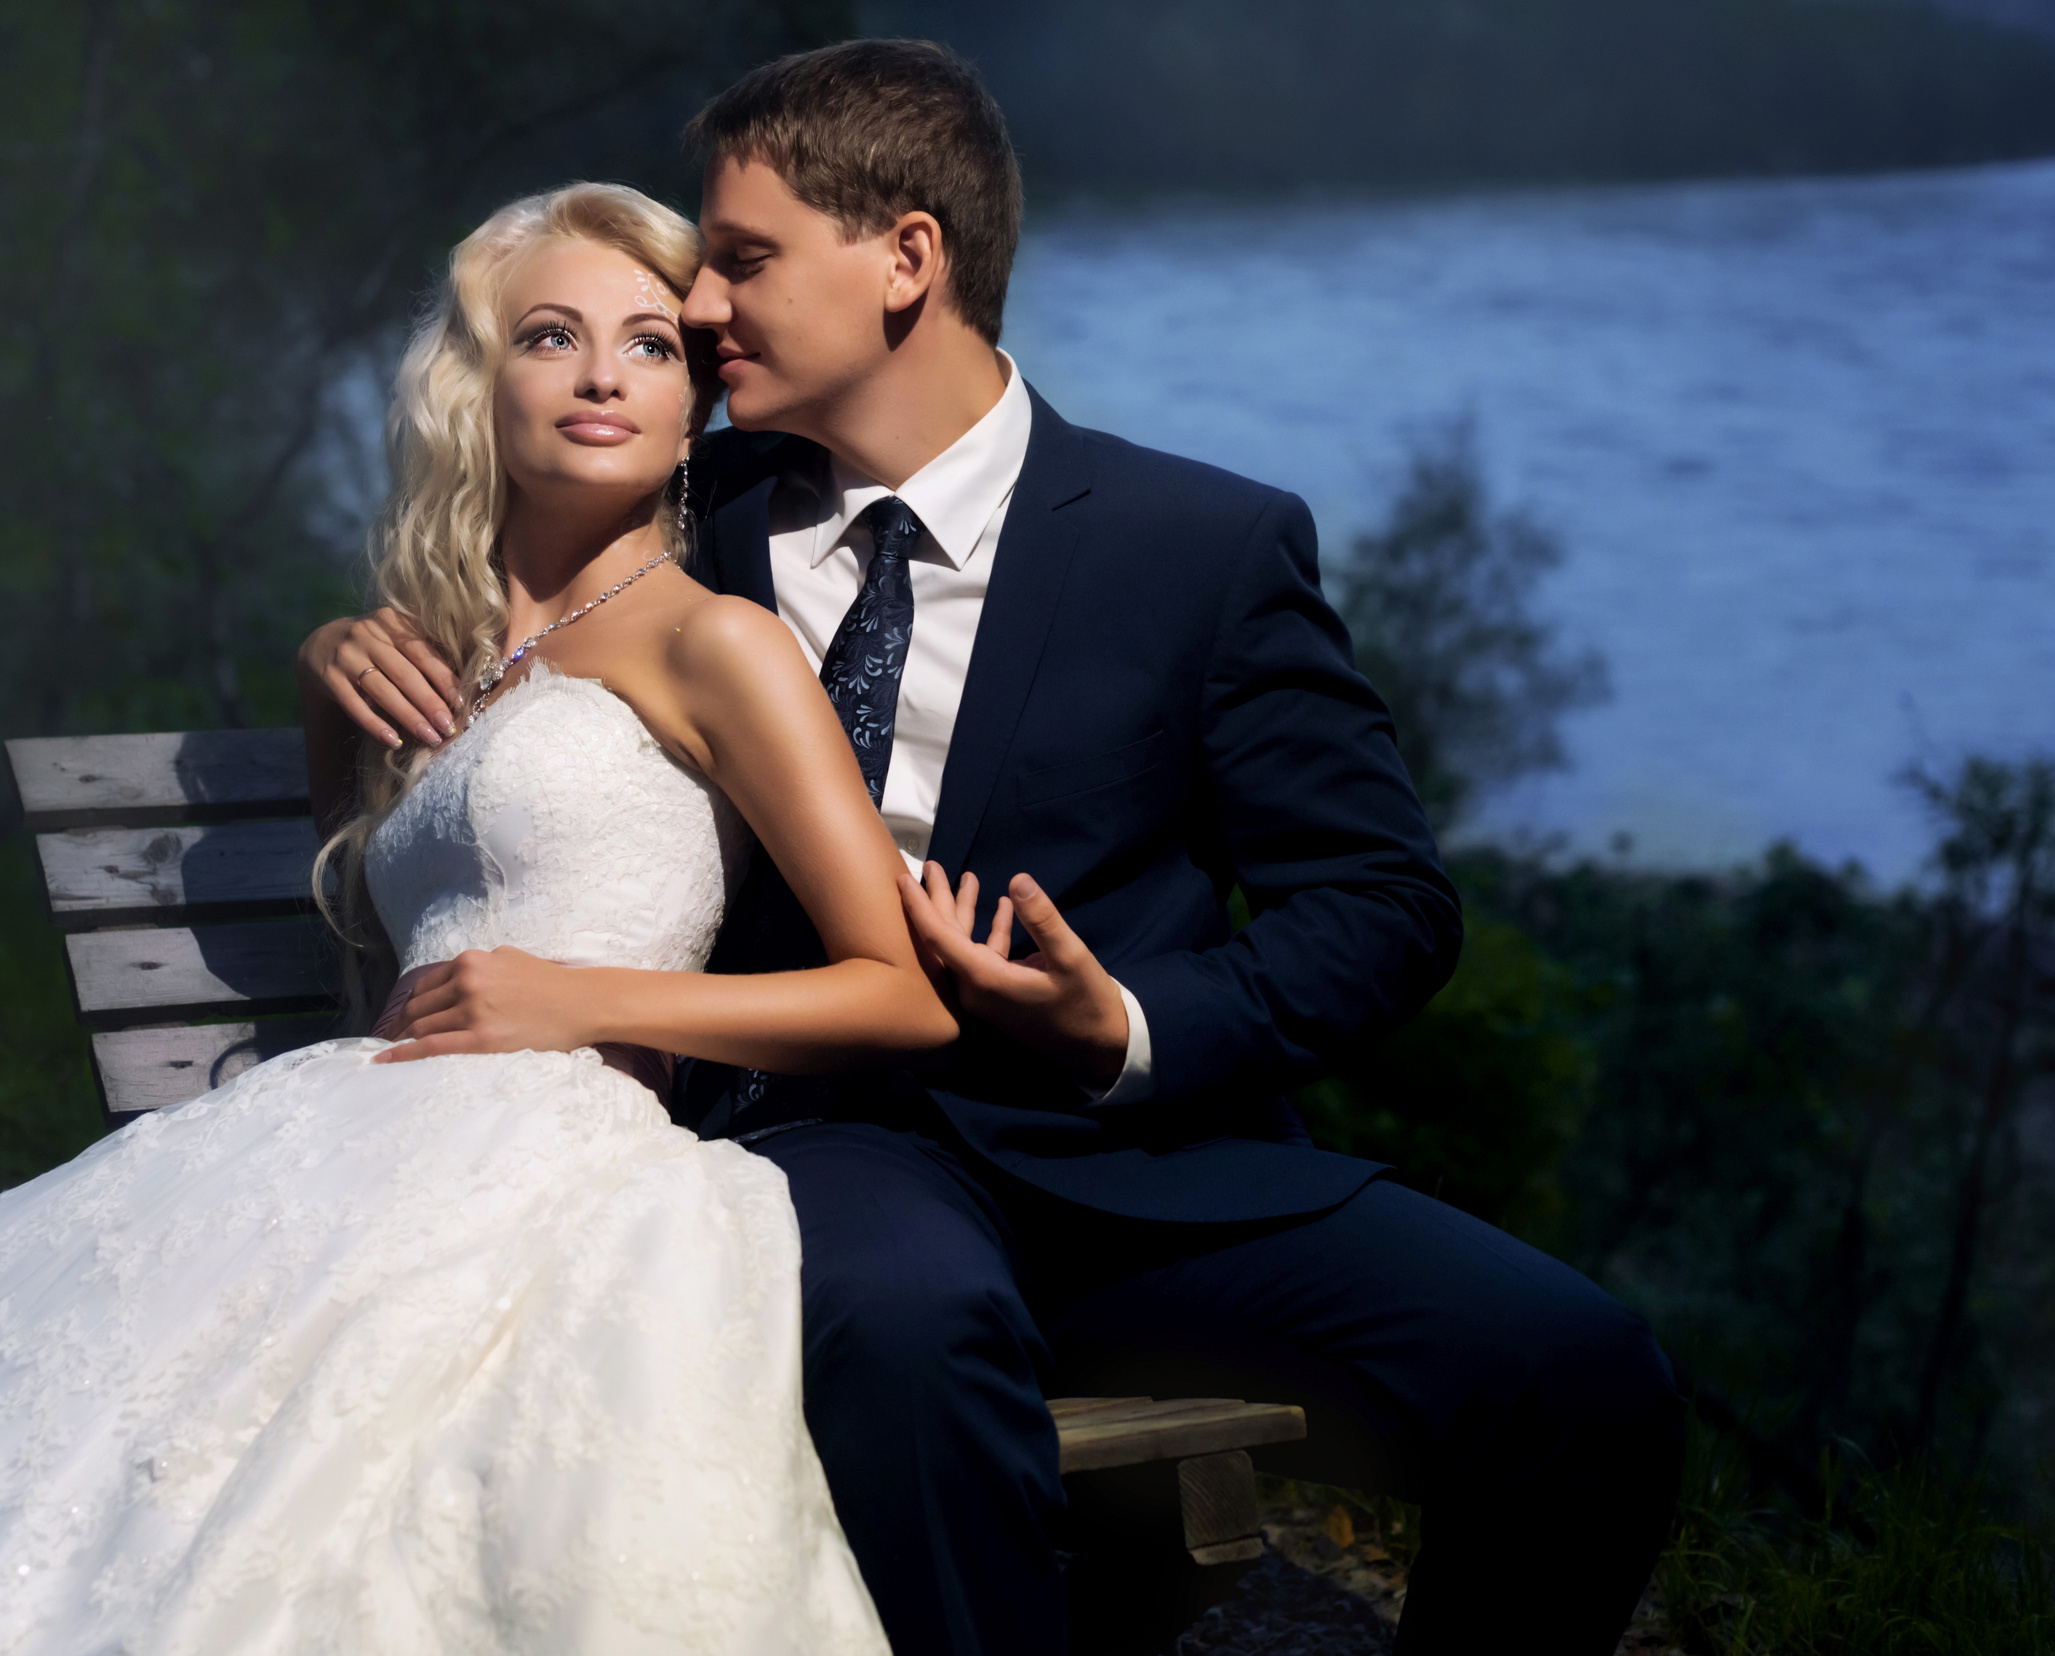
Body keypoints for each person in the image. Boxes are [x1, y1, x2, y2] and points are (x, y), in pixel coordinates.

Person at [335, 41, 1685, 1655]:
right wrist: (347, 649)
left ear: (908, 260)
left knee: (1583, 1374)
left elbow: (1384, 906)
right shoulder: (688, 510)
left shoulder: (1201, 547)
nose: (699, 312)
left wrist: (1120, 1023)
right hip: (826, 1144)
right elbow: (501, 577)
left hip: (1147, 1171)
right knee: (909, 1327)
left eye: (744, 261)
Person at [0, 181, 951, 1655]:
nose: (604, 375)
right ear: (480, 386)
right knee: (43, 1471)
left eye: (652, 345)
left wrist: (583, 1001)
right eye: (551, 336)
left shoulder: (714, 641)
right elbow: (371, 896)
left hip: (564, 1165)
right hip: (349, 1133)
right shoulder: (447, 654)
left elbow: (896, 993)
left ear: (689, 408)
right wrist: (321, 661)